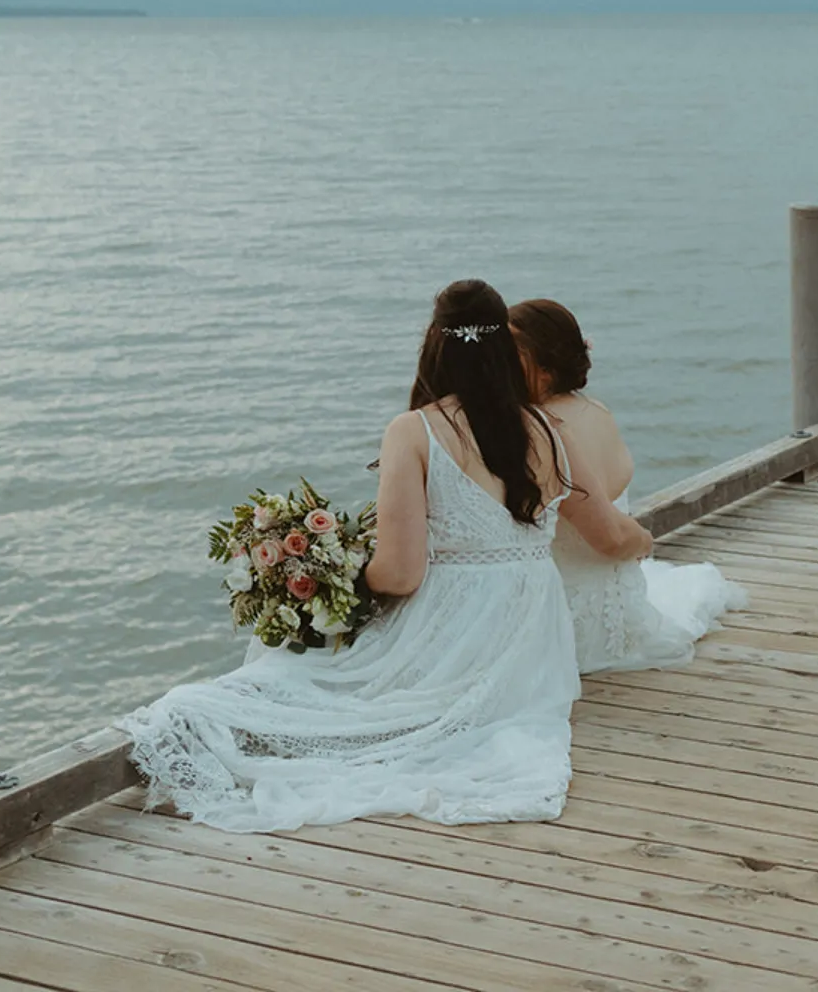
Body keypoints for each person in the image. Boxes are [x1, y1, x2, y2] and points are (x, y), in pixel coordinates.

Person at [122, 278, 651, 830]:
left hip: (457, 626)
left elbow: (400, 573)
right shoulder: (548, 428)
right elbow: (607, 530)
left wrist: (346, 579)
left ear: (434, 344)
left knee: (287, 681)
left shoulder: (415, 430)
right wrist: (645, 541)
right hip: (531, 651)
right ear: (502, 351)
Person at [508, 296, 748, 673]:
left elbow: (607, 537)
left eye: (510, 353)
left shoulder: (538, 433)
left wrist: (643, 540)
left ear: (544, 370)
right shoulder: (598, 411)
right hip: (614, 600)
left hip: (563, 624)